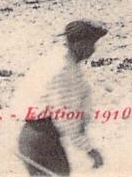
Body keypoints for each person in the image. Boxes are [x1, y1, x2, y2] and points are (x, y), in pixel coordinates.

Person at [13, 20, 107, 175]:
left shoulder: (57, 59)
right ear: (79, 44)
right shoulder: (63, 70)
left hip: (35, 136)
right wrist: (88, 149)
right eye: (91, 44)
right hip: (42, 139)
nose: (93, 50)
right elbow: (65, 116)